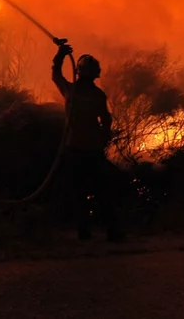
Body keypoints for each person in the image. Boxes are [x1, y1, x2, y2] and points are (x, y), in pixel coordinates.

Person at [51, 42, 124, 242]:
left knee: (79, 192)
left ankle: (85, 233)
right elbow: (106, 120)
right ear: (95, 75)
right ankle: (112, 231)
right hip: (93, 149)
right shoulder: (98, 95)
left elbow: (56, 75)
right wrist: (103, 136)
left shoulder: (70, 91)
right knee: (103, 190)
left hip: (74, 148)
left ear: (78, 72)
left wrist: (60, 55)